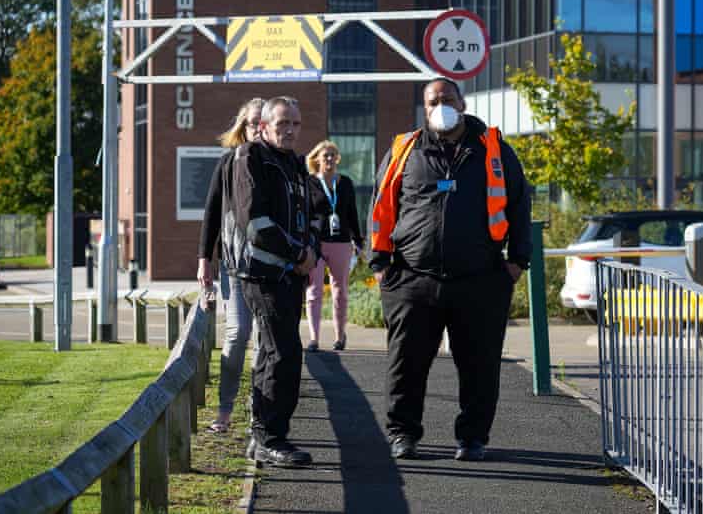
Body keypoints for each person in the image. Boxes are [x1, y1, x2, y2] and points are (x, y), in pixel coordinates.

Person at [369, 78, 532, 462]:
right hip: (412, 279)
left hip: (481, 280)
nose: (440, 105)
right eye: (432, 101)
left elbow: (520, 207)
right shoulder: (403, 151)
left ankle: (473, 438)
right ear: (423, 109)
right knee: (405, 364)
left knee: (480, 366)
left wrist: (516, 262)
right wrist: (380, 266)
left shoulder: (493, 151)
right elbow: (379, 208)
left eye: (446, 99)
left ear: (461, 102)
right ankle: (403, 435)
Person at [224, 96, 318, 468]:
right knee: (283, 353)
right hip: (263, 274)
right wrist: (298, 255)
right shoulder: (250, 158)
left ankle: (263, 433)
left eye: (295, 123)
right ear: (263, 126)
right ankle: (270, 439)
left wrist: (309, 249)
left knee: (274, 352)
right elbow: (255, 224)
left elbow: (309, 215)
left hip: (290, 273)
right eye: (282, 124)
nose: (290, 130)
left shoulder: (294, 163)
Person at [197, 97, 263, 435]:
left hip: (272, 270)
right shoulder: (227, 163)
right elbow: (211, 212)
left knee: (267, 342)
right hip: (234, 265)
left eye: (262, 122)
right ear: (243, 126)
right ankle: (224, 409)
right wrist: (204, 261)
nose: (257, 128)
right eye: (252, 122)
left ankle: (261, 411)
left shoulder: (281, 164)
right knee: (238, 335)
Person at [304, 140, 364, 352]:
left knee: (340, 292)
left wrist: (358, 240)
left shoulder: (345, 183)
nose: (329, 159)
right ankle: (313, 338)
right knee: (314, 291)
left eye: (332, 155)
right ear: (317, 158)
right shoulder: (309, 182)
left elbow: (352, 214)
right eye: (325, 155)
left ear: (337, 159)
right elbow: (306, 214)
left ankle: (340, 337)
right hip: (317, 243)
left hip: (341, 243)